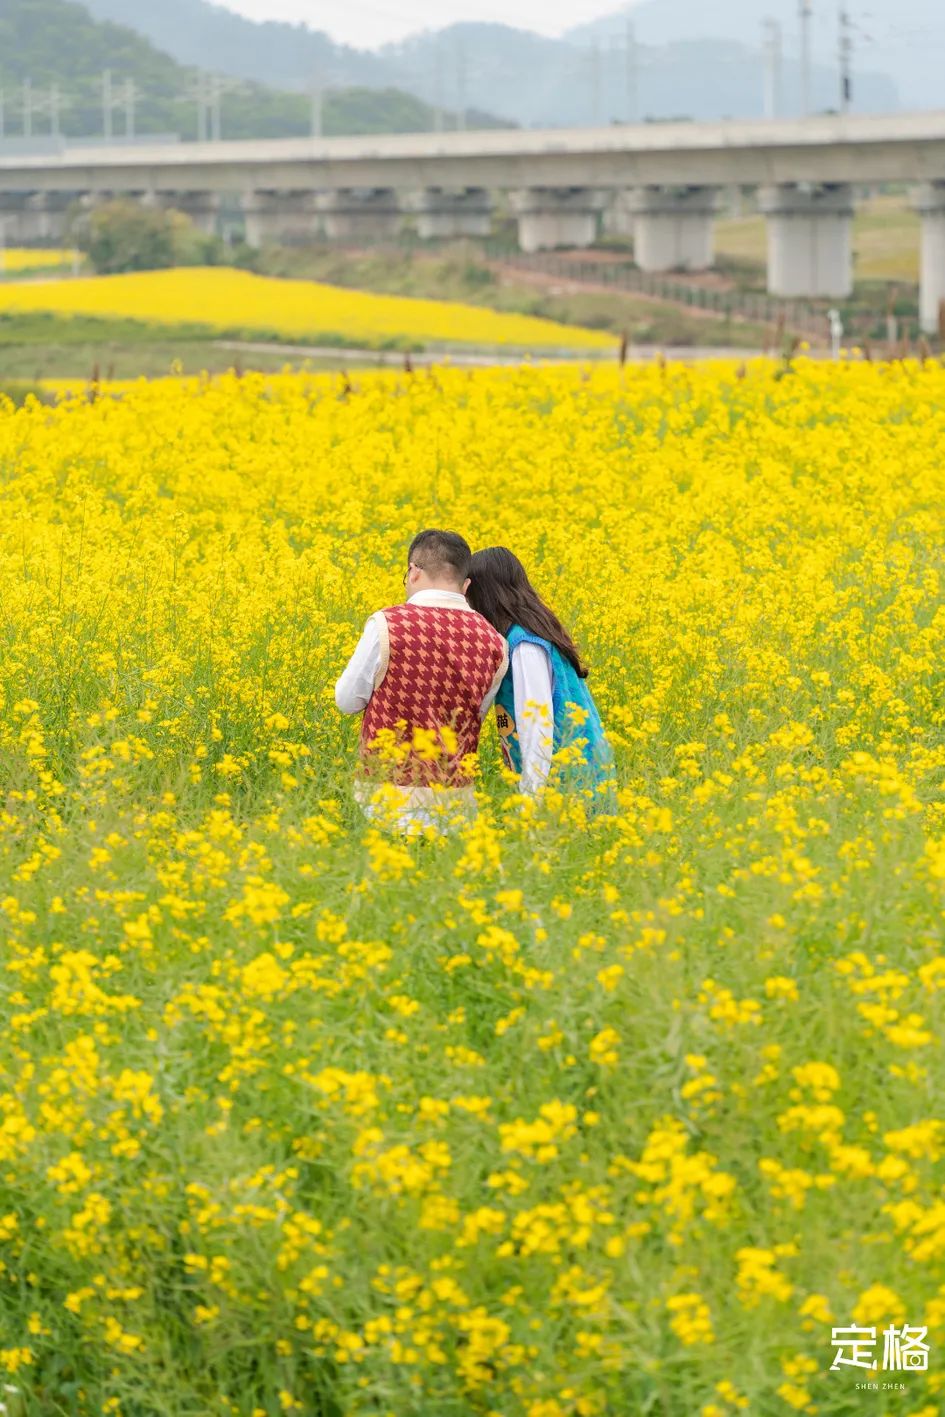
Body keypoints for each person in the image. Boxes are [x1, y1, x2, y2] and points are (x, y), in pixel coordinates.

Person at [335, 529, 509, 834]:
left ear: (413, 572)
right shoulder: (494, 641)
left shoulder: (387, 624)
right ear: (466, 585)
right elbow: (476, 716)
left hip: (383, 802)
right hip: (454, 807)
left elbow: (347, 701)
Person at [466, 546, 615, 805]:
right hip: (567, 781)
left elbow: (537, 724)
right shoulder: (524, 636)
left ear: (486, 596)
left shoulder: (525, 645)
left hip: (567, 788)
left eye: (470, 596)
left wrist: (531, 800)